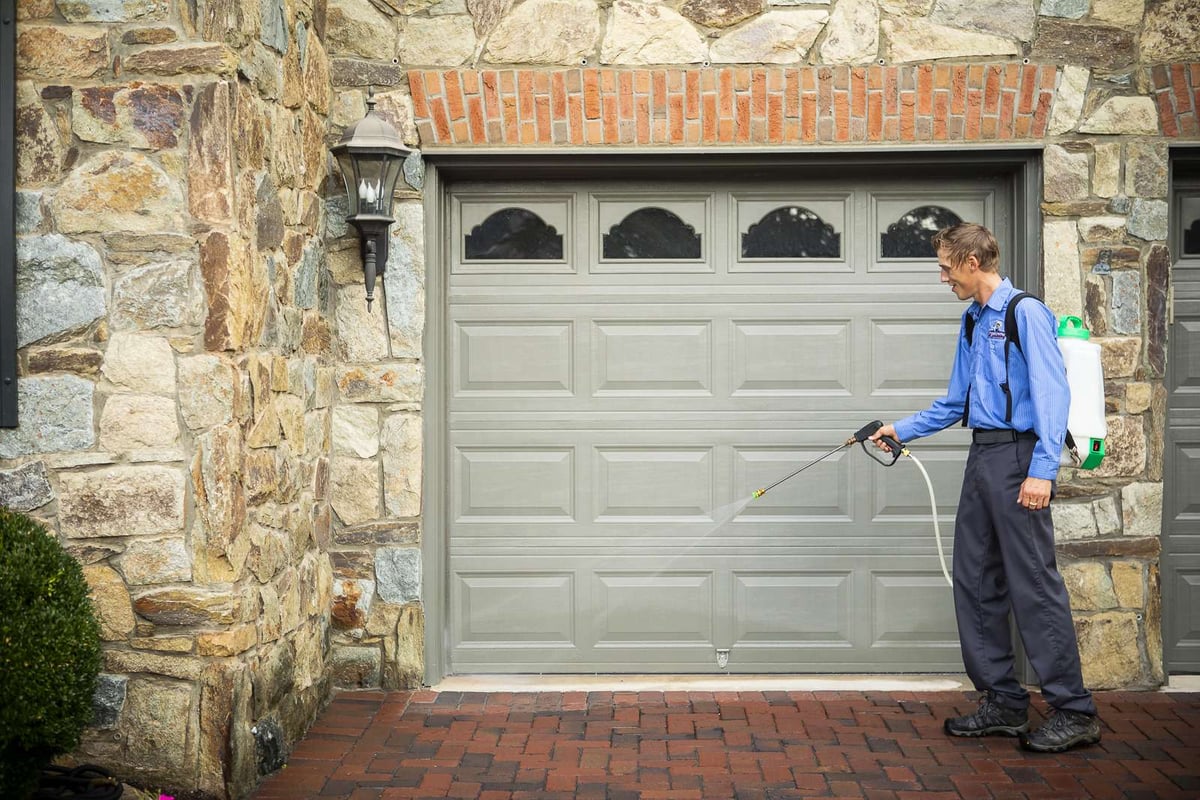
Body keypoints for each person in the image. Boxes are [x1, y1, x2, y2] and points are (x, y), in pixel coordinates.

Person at [869, 222, 1101, 753]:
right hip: (984, 456)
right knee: (974, 580)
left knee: (1033, 586)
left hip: (1021, 458)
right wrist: (898, 430)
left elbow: (1052, 395)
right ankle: (1003, 701)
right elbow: (955, 402)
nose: (943, 277)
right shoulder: (973, 321)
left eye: (947, 268)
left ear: (972, 263)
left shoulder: (1025, 315)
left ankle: (1074, 709)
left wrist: (1043, 470)